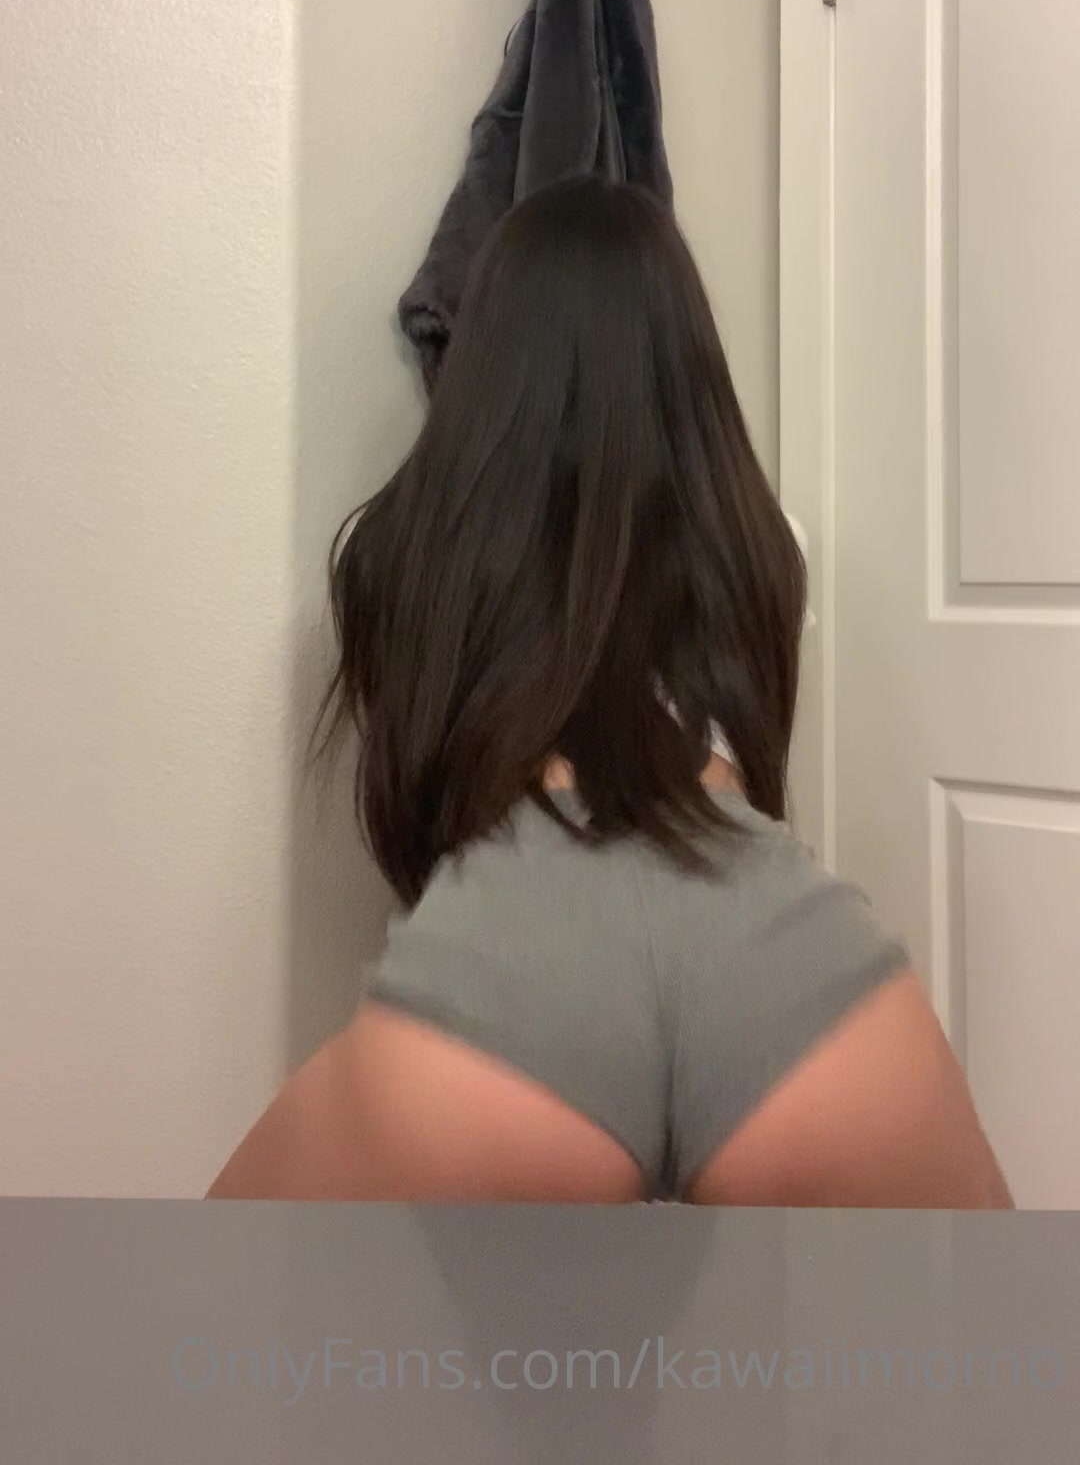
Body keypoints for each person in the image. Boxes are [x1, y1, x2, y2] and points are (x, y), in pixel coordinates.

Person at [209, 178, 1011, 1207]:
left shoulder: (391, 544)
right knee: (999, 1309)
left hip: (515, 952)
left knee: (200, 1285)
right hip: (770, 936)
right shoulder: (769, 543)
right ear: (689, 355)